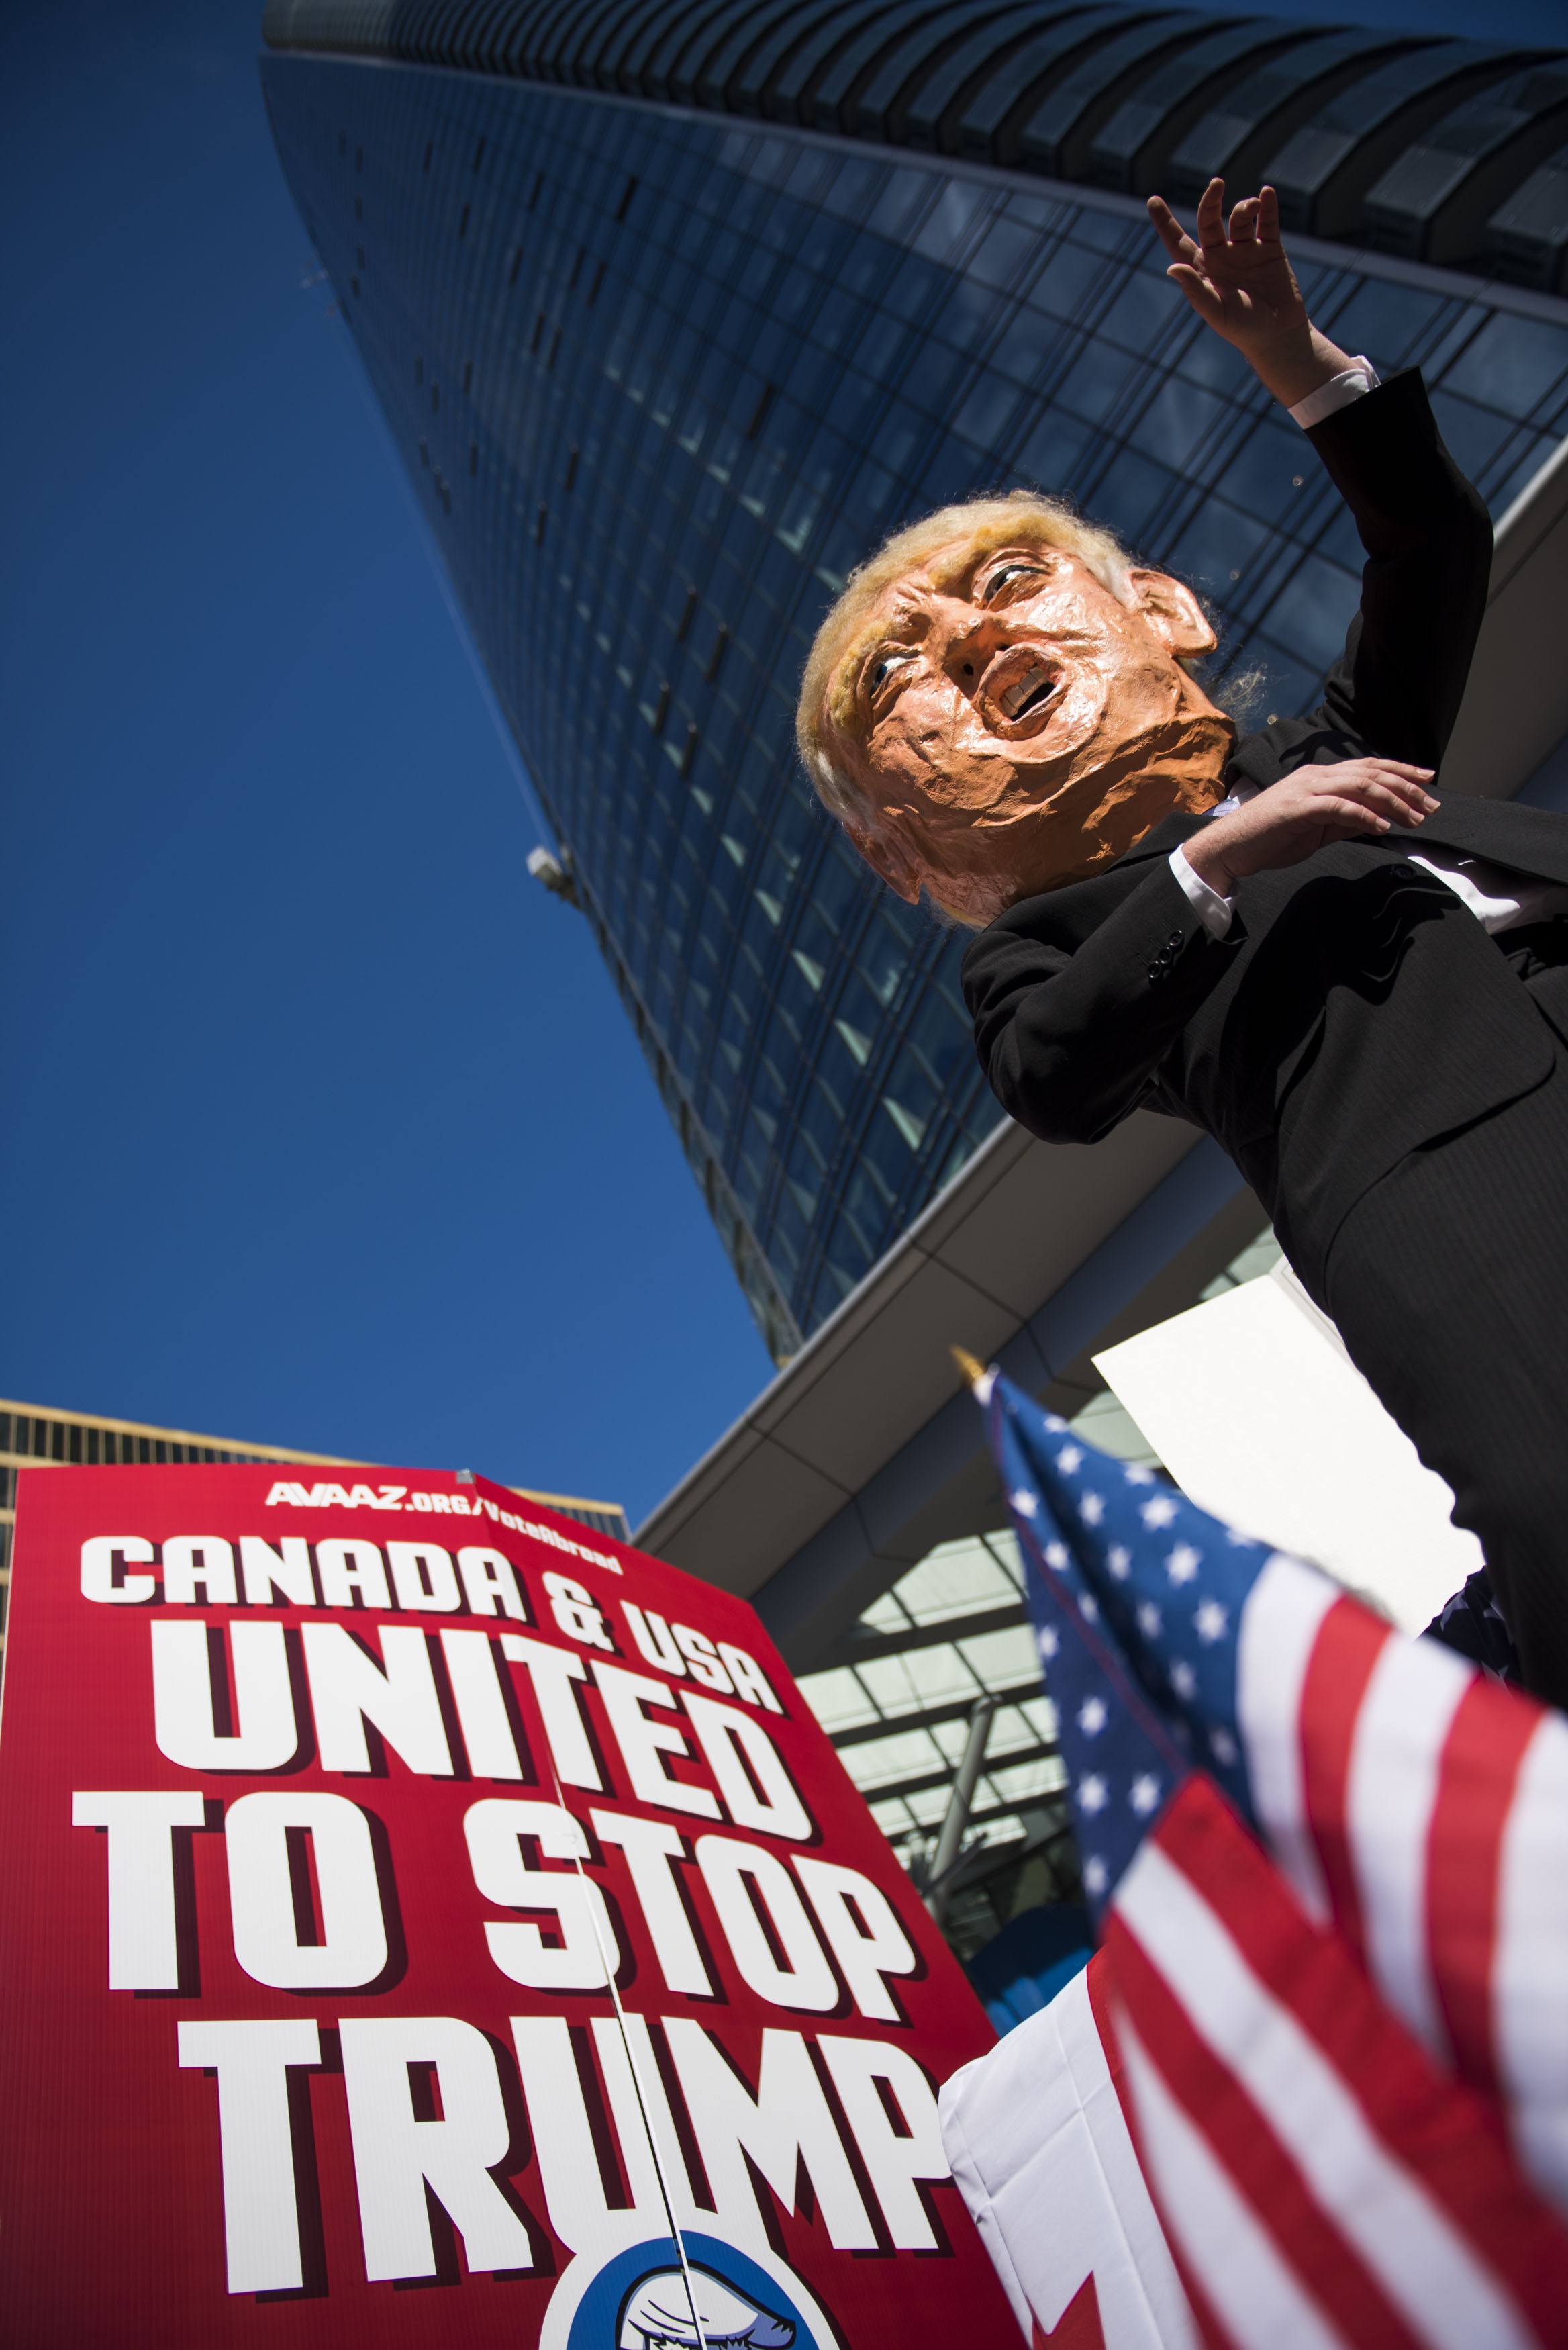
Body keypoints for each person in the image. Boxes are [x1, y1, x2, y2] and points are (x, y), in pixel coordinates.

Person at [795, 179, 1568, 1709]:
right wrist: (1219, 855)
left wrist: (1293, 356)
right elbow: (1053, 1070)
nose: (971, 640)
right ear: (908, 857)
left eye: (1012, 586)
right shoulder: (1055, 943)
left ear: (1166, 611)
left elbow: (1428, 547)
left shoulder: (1333, 750)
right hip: (1455, 1186)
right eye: (906, 679)